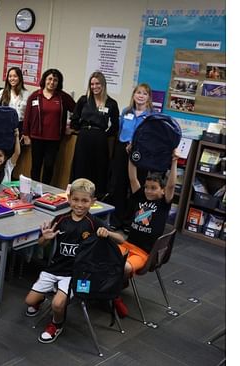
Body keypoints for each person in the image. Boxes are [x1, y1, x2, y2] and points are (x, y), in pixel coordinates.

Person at [23, 178, 124, 343]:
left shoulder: (93, 222)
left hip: (76, 274)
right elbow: (41, 243)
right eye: (75, 199)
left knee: (57, 304)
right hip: (55, 268)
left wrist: (108, 233)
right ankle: (40, 299)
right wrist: (45, 239)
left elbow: (120, 239)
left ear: (93, 202)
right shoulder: (61, 219)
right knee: (29, 300)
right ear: (69, 198)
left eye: (85, 201)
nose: (79, 204)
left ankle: (57, 324)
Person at [112, 152, 178, 317]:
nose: (148, 191)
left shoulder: (163, 203)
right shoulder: (140, 196)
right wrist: (131, 156)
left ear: (162, 191)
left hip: (143, 253)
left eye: (154, 188)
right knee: (107, 257)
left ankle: (114, 293)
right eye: (147, 187)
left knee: (124, 267)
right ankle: (112, 288)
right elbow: (132, 177)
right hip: (127, 245)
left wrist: (174, 162)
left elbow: (171, 185)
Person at [109, 83, 153, 228]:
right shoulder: (126, 111)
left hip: (140, 153)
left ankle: (130, 222)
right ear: (133, 95)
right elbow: (120, 130)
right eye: (138, 92)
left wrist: (135, 144)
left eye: (144, 93)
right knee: (119, 186)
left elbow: (151, 137)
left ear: (148, 98)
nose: (141, 96)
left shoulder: (151, 116)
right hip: (123, 150)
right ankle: (116, 220)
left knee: (136, 187)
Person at [70, 71, 119, 199]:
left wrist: (104, 134)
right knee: (81, 165)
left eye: (97, 83)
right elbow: (74, 119)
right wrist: (81, 130)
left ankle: (96, 196)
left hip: (100, 139)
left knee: (99, 167)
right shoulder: (83, 100)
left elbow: (115, 126)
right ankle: (77, 195)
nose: (94, 87)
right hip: (84, 137)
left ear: (103, 85)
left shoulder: (111, 103)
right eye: (92, 84)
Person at [22, 68, 76, 184]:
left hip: (54, 139)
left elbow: (77, 111)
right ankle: (34, 190)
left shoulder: (63, 97)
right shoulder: (35, 96)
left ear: (59, 82)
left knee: (49, 165)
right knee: (36, 165)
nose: (52, 82)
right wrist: (25, 134)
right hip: (37, 137)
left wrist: (72, 127)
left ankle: (46, 191)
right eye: (50, 79)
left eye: (55, 80)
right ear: (44, 80)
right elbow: (27, 116)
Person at [0, 67, 31, 132]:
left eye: (15, 76)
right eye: (10, 76)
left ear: (19, 78)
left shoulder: (26, 94)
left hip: (20, 126)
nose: (12, 79)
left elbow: (29, 114)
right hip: (4, 126)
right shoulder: (2, 92)